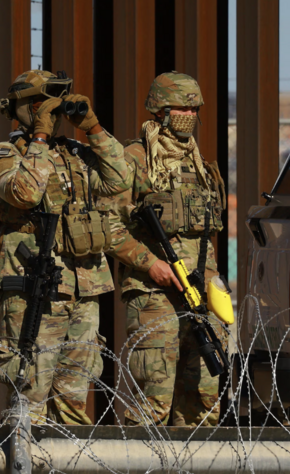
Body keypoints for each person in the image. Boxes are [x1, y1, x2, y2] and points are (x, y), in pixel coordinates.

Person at [0, 70, 130, 424]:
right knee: (31, 393)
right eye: (40, 104)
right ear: (23, 108)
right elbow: (25, 193)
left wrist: (93, 128)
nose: (51, 111)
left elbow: (120, 179)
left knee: (74, 397)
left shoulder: (76, 154)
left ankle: (70, 453)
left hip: (85, 286)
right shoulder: (5, 155)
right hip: (35, 289)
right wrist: (39, 136)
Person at [107, 72, 227, 426]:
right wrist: (151, 264)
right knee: (154, 402)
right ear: (160, 110)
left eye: (195, 109)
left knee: (204, 403)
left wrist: (212, 283)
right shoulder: (135, 158)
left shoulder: (199, 165)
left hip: (200, 293)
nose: (190, 115)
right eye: (182, 108)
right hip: (154, 294)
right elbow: (109, 228)